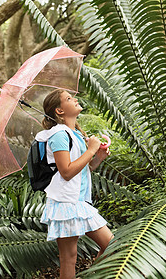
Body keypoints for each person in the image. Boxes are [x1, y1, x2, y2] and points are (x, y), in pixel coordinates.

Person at [36, 89, 113, 279]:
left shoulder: (74, 133)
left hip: (77, 202)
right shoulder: (58, 135)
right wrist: (92, 150)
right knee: (70, 259)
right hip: (66, 204)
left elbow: (82, 171)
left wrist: (98, 158)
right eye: (68, 99)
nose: (75, 99)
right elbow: (67, 171)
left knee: (110, 246)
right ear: (59, 111)